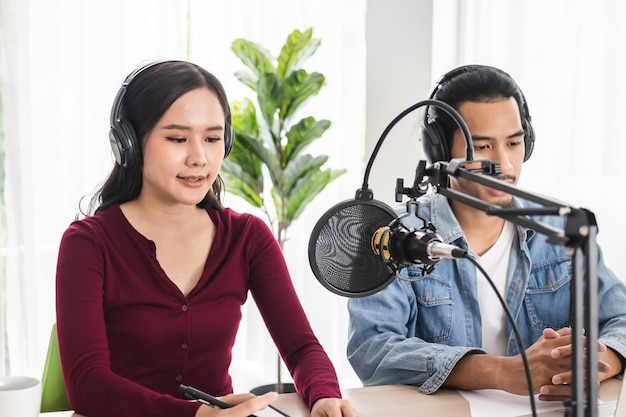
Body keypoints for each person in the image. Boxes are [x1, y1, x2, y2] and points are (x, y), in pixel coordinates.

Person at [56, 60, 360, 417]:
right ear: (129, 145)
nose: (199, 158)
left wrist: (324, 396)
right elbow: (87, 385)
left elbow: (302, 347)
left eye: (213, 139)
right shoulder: (88, 244)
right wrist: (195, 414)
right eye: (177, 138)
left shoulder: (247, 238)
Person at [346, 64, 626, 401]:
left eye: (513, 143)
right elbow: (372, 350)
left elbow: (620, 316)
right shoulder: (393, 237)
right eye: (482, 147)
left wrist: (599, 359)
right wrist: (500, 371)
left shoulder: (560, 226)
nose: (505, 166)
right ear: (440, 152)